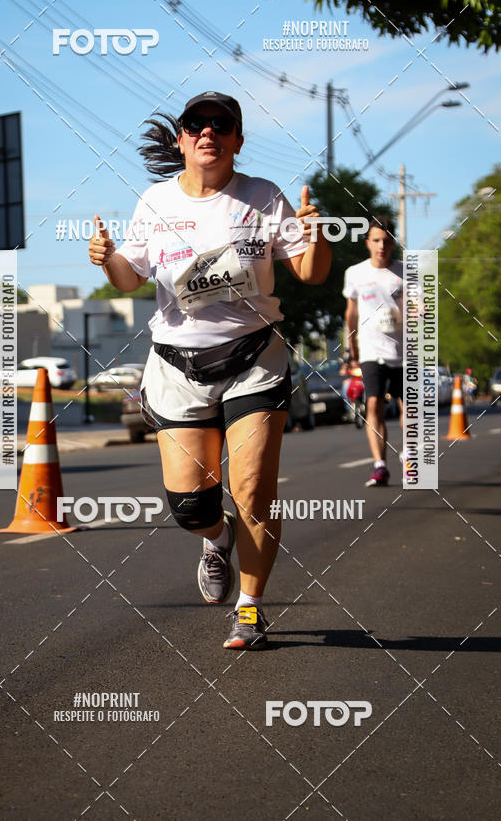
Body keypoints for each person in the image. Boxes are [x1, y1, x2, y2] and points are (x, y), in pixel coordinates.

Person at [89, 91, 331, 649]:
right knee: (190, 505)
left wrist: (315, 235)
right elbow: (130, 277)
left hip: (253, 357)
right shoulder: (155, 201)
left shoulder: (263, 197)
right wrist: (107, 259)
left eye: (222, 125)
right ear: (181, 139)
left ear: (237, 141)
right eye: (196, 124)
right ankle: (217, 538)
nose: (209, 132)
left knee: (253, 488)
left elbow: (312, 274)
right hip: (177, 363)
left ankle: (250, 608)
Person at [343, 217, 403, 486]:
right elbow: (351, 313)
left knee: (408, 405)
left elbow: (420, 306)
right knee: (374, 404)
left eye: (386, 241)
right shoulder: (355, 273)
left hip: (403, 351)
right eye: (376, 240)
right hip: (371, 349)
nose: (381, 246)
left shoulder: (407, 272)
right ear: (368, 243)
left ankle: (409, 453)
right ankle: (380, 465)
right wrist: (352, 348)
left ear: (393, 243)